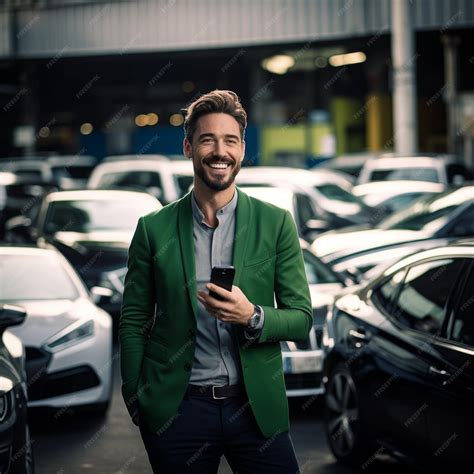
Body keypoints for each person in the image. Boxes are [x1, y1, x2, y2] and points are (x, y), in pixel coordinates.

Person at [119, 89, 312, 473]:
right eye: (208, 139)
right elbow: (134, 320)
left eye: (230, 141)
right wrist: (137, 397)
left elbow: (302, 318)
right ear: (189, 147)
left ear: (242, 150)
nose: (219, 151)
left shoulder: (275, 223)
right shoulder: (153, 229)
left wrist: (253, 316)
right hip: (179, 412)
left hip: (255, 409)